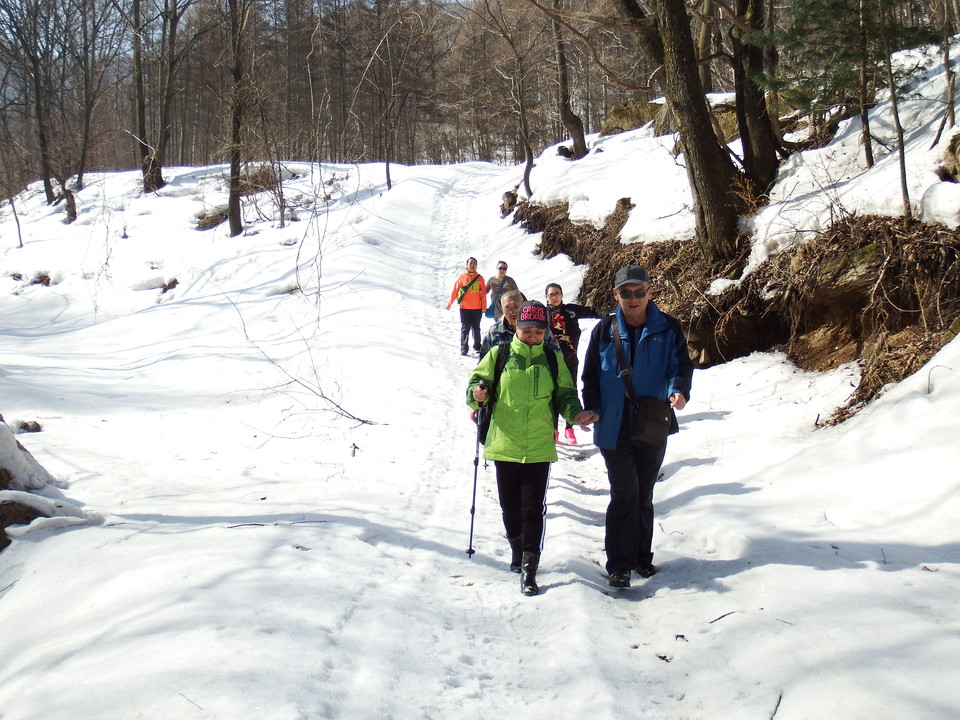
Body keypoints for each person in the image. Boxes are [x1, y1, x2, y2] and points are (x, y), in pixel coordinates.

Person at [467, 301, 598, 596]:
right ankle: (516, 546)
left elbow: (565, 394)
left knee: (532, 509)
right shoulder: (499, 354)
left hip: (538, 445)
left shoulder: (552, 360)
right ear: (518, 328)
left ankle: (530, 568)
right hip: (504, 442)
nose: (533, 336)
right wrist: (477, 392)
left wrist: (576, 414)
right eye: (528, 331)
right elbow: (476, 384)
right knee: (510, 509)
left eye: (539, 332)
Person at [581, 265, 693, 590]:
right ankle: (618, 564)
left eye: (639, 291)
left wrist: (679, 389)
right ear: (616, 295)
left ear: (650, 292)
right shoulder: (604, 329)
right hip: (613, 426)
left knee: (644, 494)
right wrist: (594, 408)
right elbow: (590, 376)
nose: (633, 299)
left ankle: (642, 556)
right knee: (625, 493)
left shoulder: (668, 327)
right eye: (626, 293)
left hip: (652, 423)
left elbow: (680, 364)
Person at [545, 282, 604, 445]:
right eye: (551, 294)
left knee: (570, 390)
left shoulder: (570, 310)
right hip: (550, 360)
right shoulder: (542, 313)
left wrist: (611, 315)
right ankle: (554, 428)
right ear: (546, 297)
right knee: (551, 392)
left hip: (570, 358)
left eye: (557, 293)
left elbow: (592, 312)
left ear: (562, 295)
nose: (554, 296)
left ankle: (569, 428)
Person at [479, 290, 562, 359]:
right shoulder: (494, 331)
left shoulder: (539, 329)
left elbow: (557, 359)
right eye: (507, 307)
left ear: (524, 306)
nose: (513, 311)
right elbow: (483, 367)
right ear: (502, 309)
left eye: (516, 306)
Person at [446, 257, 487, 356]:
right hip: (464, 308)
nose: (472, 265)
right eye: (470, 263)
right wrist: (449, 303)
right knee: (465, 328)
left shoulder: (480, 278)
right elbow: (455, 291)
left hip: (477, 308)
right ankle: (464, 348)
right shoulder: (462, 277)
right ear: (466, 265)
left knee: (476, 328)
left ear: (476, 266)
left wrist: (484, 308)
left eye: (474, 263)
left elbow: (483, 294)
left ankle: (477, 346)